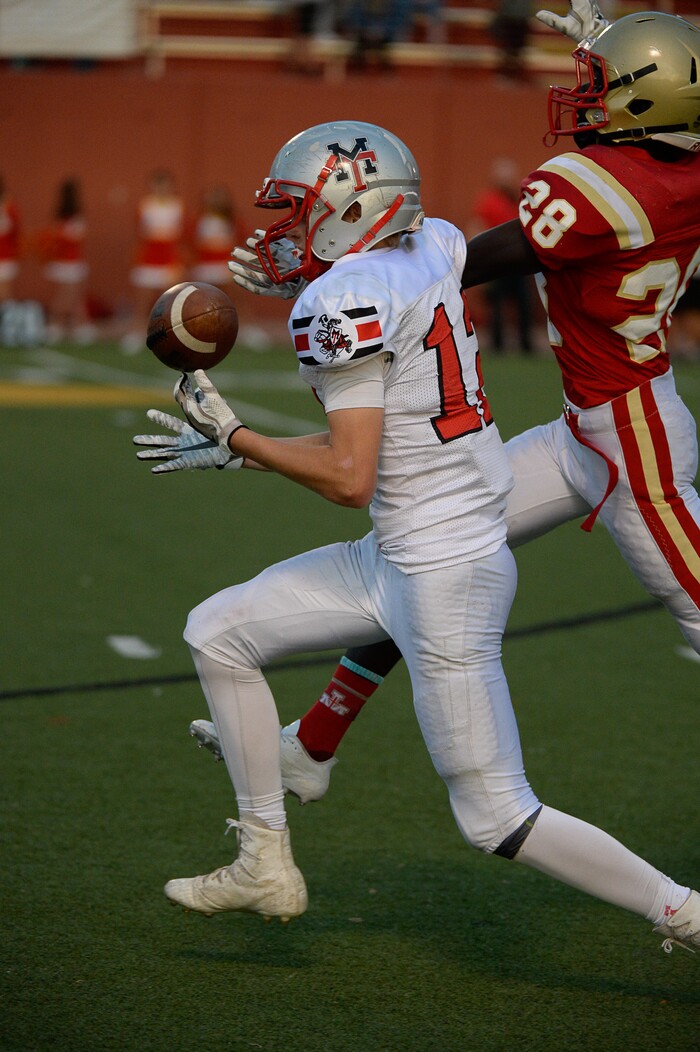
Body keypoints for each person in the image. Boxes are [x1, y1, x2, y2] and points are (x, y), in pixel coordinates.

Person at [136, 117, 699, 954]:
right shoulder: (434, 240)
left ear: (347, 207)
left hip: (440, 570)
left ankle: (684, 914)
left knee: (496, 817)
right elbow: (390, 308)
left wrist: (238, 442)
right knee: (217, 631)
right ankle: (265, 854)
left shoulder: (338, 301)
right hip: (410, 546)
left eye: (297, 209)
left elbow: (347, 476)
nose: (285, 227)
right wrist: (299, 291)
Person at [470, 156, 535, 354]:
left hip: (518, 263)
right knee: (496, 306)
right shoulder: (488, 200)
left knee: (524, 303)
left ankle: (526, 345)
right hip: (497, 263)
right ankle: (498, 346)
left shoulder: (517, 200)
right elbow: (477, 227)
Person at [122, 168, 186, 353]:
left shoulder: (178, 206)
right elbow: (139, 233)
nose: (162, 188)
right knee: (143, 301)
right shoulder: (144, 205)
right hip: (148, 259)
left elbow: (181, 236)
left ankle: (174, 337)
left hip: (170, 260)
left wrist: (179, 260)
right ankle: (136, 334)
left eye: (165, 184)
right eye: (158, 184)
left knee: (171, 303)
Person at [38, 177, 95, 344]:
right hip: (68, 262)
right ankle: (56, 324)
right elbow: (68, 239)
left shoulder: (63, 216)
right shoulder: (70, 217)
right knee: (66, 295)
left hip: (70, 262)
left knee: (74, 296)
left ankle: (77, 325)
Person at [190, 185, 243, 291]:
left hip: (225, 264)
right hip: (204, 264)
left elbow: (239, 240)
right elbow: (193, 241)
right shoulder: (200, 219)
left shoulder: (232, 221)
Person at [0, 175, 21, 305]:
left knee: (4, 293)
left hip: (5, 255)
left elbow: (15, 230)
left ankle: (5, 320)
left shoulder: (9, 207)